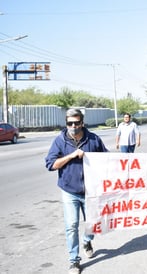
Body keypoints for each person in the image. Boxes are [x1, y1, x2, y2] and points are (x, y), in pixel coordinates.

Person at [45, 109, 108, 274]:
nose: (73, 126)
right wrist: (71, 156)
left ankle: (87, 241)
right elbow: (51, 165)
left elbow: (108, 160)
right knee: (71, 225)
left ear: (82, 123)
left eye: (76, 122)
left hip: (90, 192)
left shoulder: (93, 139)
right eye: (69, 123)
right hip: (69, 191)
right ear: (66, 123)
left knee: (93, 224)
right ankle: (74, 261)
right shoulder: (60, 141)